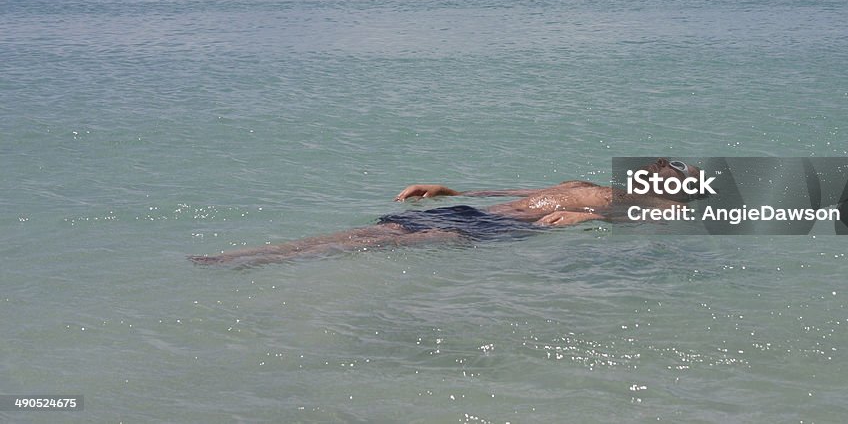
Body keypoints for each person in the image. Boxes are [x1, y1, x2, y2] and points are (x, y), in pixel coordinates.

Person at [188, 158, 700, 267]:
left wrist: (583, 221)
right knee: (365, 233)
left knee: (393, 242)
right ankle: (250, 255)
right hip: (480, 213)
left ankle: (260, 261)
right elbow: (513, 187)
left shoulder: (649, 209)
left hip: (501, 231)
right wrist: (446, 189)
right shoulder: (583, 184)